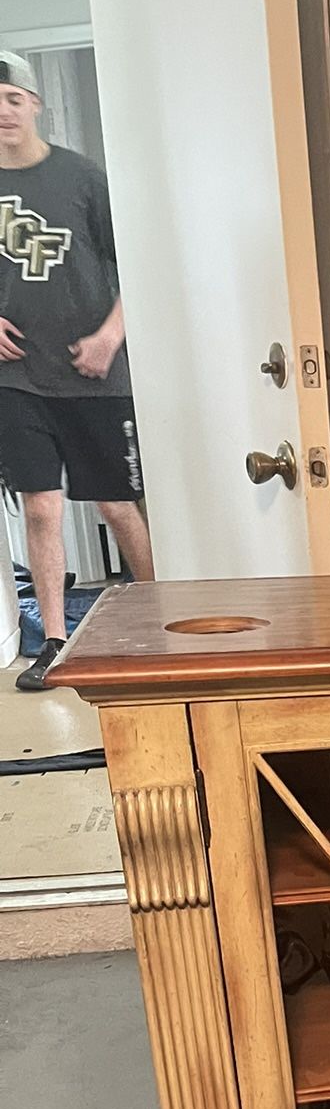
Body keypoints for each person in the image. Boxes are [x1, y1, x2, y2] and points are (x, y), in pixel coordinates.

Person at [0, 50, 153, 691]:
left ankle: (159, 615)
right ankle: (55, 645)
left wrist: (109, 337)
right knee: (41, 509)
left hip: (92, 375)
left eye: (12, 98)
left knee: (117, 507)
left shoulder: (83, 178)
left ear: (35, 102)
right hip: (17, 379)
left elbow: (139, 264)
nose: (2, 112)